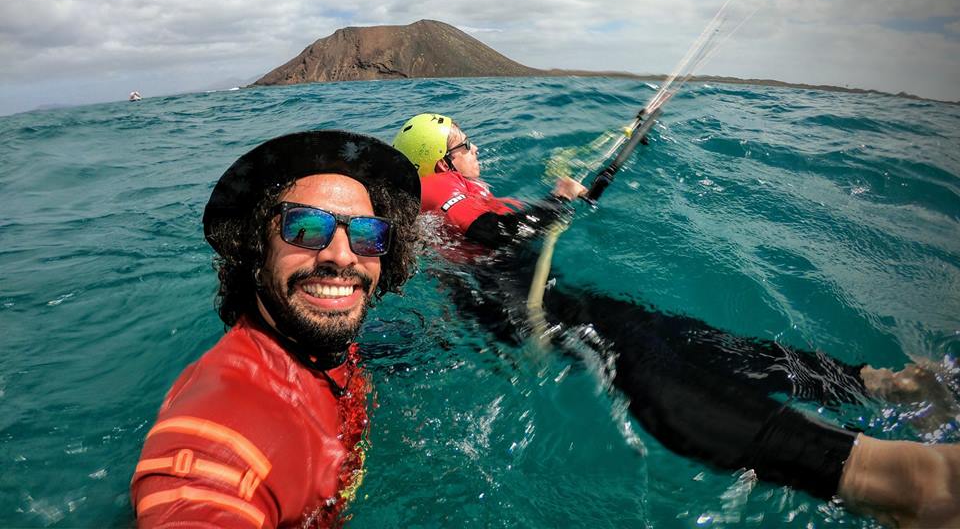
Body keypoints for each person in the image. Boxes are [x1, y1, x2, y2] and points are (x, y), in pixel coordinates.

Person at [393, 112, 960, 527]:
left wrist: (553, 202)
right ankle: (893, 475)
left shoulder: (457, 191)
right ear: (441, 159)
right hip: (531, 307)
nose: (476, 150)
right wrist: (557, 205)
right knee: (654, 365)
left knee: (687, 341)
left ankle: (878, 387)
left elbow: (491, 229)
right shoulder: (436, 187)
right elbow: (495, 233)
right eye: (465, 143)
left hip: (547, 293)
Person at [130, 130, 421, 528]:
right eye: (304, 227)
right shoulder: (222, 429)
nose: (342, 255)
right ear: (255, 248)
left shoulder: (321, 345)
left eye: (366, 233)